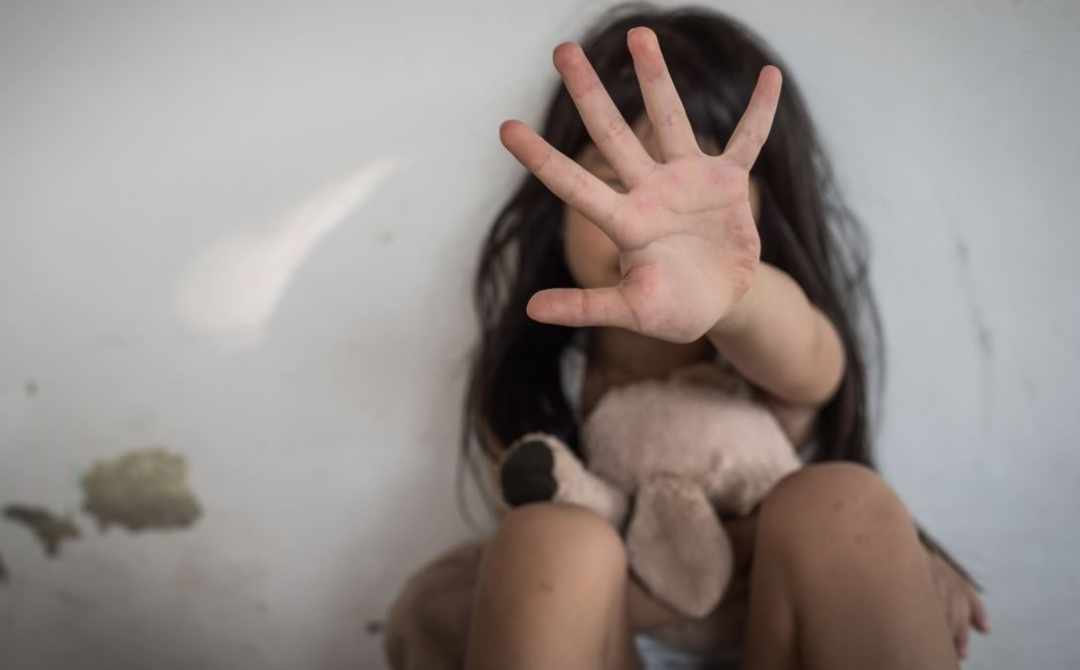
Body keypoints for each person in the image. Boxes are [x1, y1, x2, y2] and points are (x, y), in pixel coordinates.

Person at [388, 4, 990, 670]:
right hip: (606, 641)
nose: (645, 226)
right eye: (612, 182)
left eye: (688, 199)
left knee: (843, 505)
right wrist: (704, 575)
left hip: (784, 639)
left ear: (762, 212)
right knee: (548, 540)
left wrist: (733, 292)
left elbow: (816, 362)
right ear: (555, 209)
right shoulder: (533, 382)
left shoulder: (766, 358)